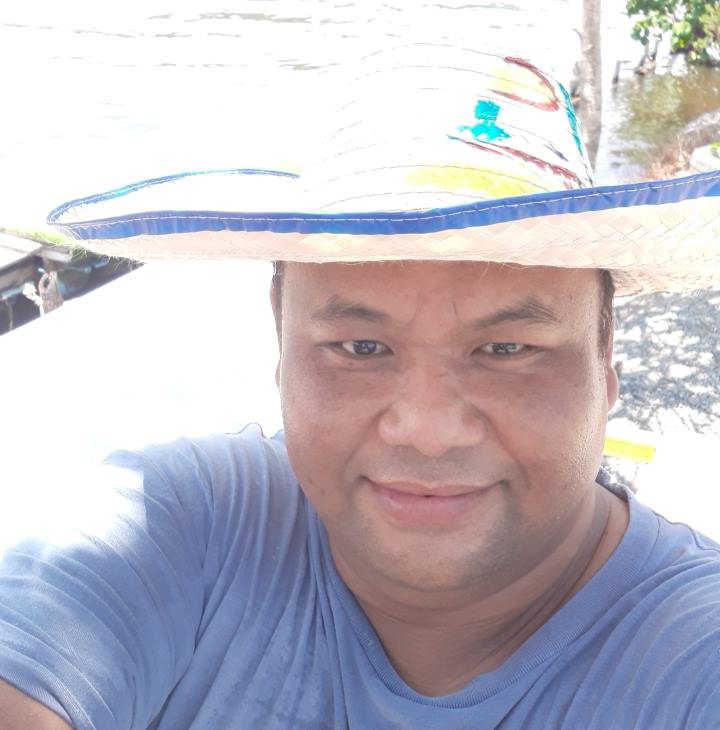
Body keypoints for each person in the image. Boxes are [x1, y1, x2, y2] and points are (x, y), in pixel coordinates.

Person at [2, 44, 720, 730]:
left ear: (605, 361)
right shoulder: (184, 522)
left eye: (506, 349)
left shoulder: (691, 652)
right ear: (281, 351)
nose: (427, 430)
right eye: (360, 348)